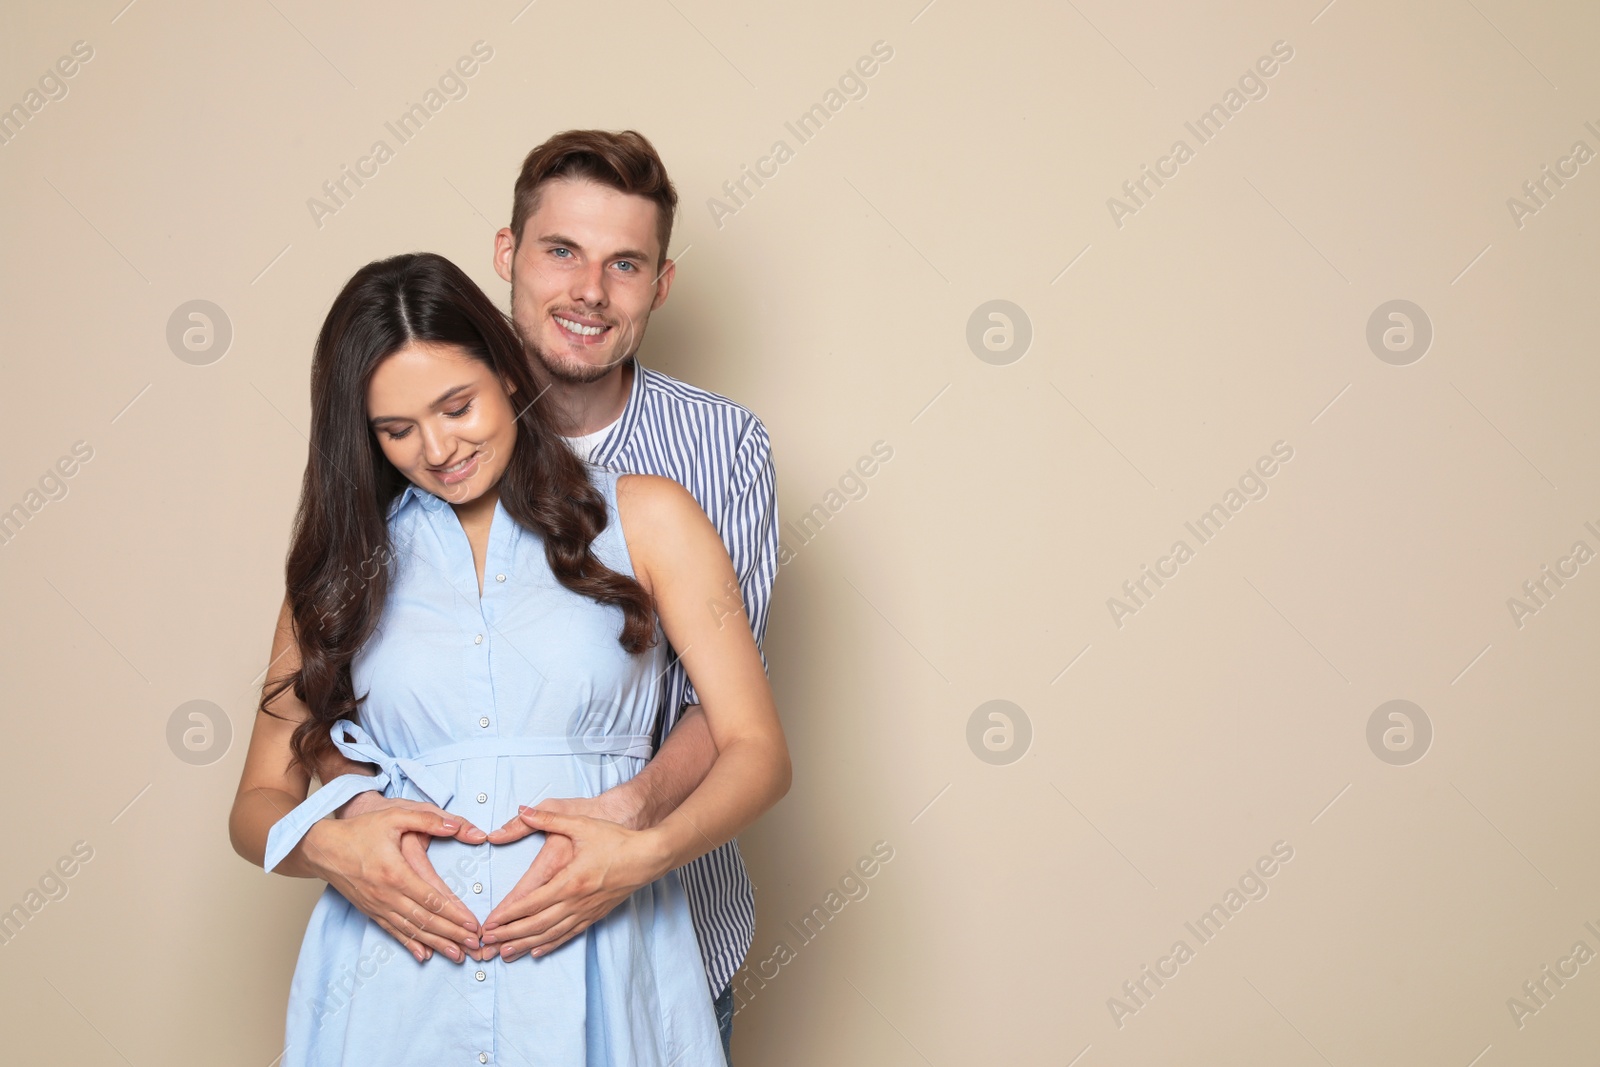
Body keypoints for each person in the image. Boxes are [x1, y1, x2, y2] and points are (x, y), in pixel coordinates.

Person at [228, 251, 790, 1066]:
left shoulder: (650, 517)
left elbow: (758, 751)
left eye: (457, 405)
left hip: (605, 960)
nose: (437, 447)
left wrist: (646, 852)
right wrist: (332, 849)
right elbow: (256, 802)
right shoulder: (338, 569)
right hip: (393, 983)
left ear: (505, 367)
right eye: (396, 430)